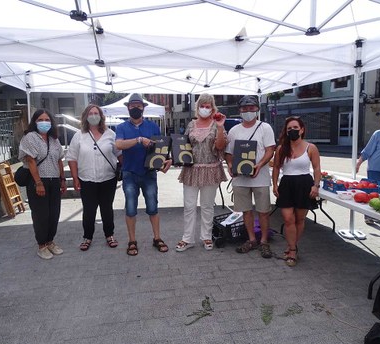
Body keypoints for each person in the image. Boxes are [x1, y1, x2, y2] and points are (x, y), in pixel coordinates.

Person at [115, 93, 172, 256]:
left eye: (139, 106)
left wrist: (166, 161)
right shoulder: (121, 127)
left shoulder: (153, 127)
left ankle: (157, 238)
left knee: (153, 207)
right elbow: (118, 144)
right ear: (128, 108)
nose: (135, 109)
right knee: (131, 209)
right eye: (132, 106)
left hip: (149, 173)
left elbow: (161, 150)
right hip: (129, 173)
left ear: (143, 108)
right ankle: (132, 241)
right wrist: (139, 139)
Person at [224, 95, 276, 258]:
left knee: (263, 211)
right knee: (245, 211)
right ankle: (252, 239)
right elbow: (228, 153)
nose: (248, 111)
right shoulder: (234, 130)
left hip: (260, 177)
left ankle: (264, 241)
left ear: (257, 109)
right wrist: (231, 165)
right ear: (239, 110)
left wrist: (259, 165)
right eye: (244, 108)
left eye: (251, 108)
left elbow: (270, 150)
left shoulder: (265, 128)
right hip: (240, 178)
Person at [175, 93, 228, 252]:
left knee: (207, 206)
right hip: (191, 170)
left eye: (208, 106)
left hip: (210, 170)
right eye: (202, 106)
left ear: (213, 108)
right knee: (189, 205)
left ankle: (206, 236)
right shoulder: (191, 124)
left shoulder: (217, 124)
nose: (205, 109)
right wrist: (175, 158)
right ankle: (187, 238)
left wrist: (219, 127)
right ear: (197, 107)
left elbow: (220, 146)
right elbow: (183, 145)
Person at [66, 104, 122, 251]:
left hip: (108, 179)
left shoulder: (110, 134)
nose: (93, 115)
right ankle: (87, 237)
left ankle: (109, 235)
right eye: (90, 113)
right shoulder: (79, 135)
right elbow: (71, 158)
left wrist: (127, 170)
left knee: (107, 209)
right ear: (85, 116)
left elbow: (119, 153)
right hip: (87, 179)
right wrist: (75, 178)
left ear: (101, 116)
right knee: (89, 210)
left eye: (96, 113)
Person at [272, 116, 321, 267]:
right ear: (286, 132)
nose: (292, 130)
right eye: (289, 129)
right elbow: (276, 167)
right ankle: (293, 249)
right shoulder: (281, 148)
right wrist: (274, 184)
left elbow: (317, 168)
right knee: (288, 219)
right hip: (286, 184)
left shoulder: (311, 148)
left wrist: (316, 185)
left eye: (295, 128)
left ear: (302, 129)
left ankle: (292, 247)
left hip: (304, 184)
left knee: (300, 219)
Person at [18, 109, 67, 259]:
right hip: (38, 180)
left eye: (47, 119)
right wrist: (38, 182)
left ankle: (50, 241)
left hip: (53, 179)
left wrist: (63, 179)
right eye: (40, 119)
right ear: (35, 121)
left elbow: (59, 160)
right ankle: (41, 245)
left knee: (54, 213)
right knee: (41, 214)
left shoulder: (54, 139)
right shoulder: (30, 137)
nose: (44, 122)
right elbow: (31, 160)